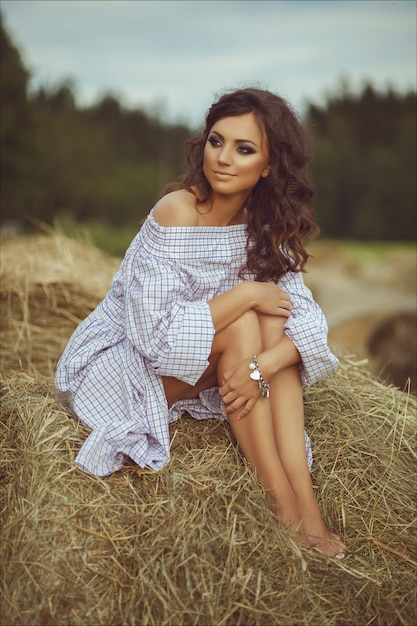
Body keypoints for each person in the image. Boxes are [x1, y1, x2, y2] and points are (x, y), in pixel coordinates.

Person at [55, 87, 345, 559]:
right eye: (216, 141)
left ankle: (306, 503)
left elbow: (306, 321)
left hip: (209, 362)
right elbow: (154, 339)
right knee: (248, 320)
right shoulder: (177, 212)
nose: (223, 158)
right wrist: (247, 294)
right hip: (122, 365)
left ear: (269, 166)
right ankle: (283, 508)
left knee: (274, 324)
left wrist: (262, 368)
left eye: (244, 149)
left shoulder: (265, 225)